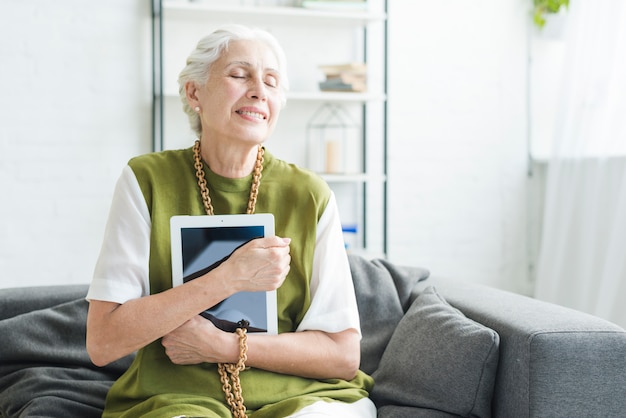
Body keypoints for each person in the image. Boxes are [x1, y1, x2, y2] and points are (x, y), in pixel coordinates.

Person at [85, 24, 376, 417]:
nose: (259, 90)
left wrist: (223, 346)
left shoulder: (309, 193)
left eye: (271, 82)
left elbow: (343, 355)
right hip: (177, 396)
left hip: (301, 396)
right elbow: (103, 343)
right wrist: (228, 277)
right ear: (194, 92)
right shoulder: (147, 180)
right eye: (239, 75)